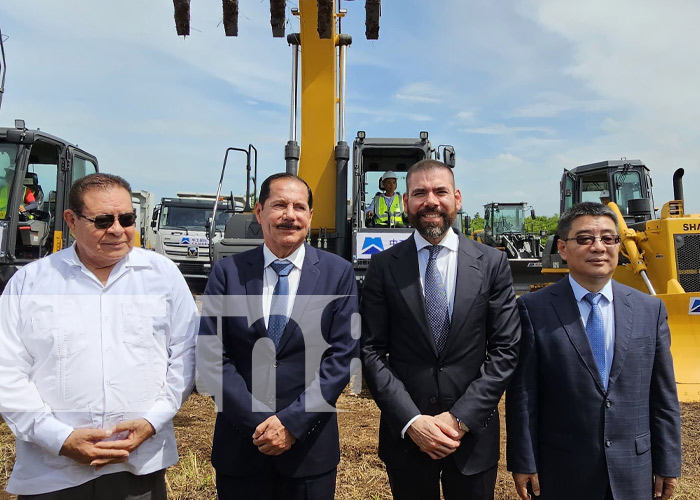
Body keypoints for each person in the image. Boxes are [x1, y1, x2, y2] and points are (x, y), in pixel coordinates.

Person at [0, 173, 198, 499]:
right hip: (53, 473)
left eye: (127, 218)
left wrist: (152, 421)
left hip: (139, 468)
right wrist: (59, 439)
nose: (118, 229)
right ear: (71, 221)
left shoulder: (162, 277)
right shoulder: (30, 284)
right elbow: (7, 369)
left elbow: (186, 355)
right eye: (103, 220)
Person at [360, 159, 521, 500]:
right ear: (406, 203)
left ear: (457, 199)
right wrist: (412, 422)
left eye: (440, 191)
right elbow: (371, 351)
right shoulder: (384, 267)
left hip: (472, 437)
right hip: (407, 438)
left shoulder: (491, 264)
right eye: (419, 193)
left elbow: (506, 349)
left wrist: (459, 419)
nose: (430, 201)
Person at [198, 172, 359, 500]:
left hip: (309, 450)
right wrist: (259, 423)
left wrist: (292, 424)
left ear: (310, 217)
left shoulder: (337, 274)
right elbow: (212, 355)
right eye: (279, 205)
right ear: (259, 212)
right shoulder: (228, 273)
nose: (290, 215)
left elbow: (342, 357)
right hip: (241, 447)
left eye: (299, 207)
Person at [506, 202, 681, 500]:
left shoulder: (649, 310)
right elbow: (524, 393)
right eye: (585, 239)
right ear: (563, 248)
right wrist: (524, 460)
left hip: (635, 469)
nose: (598, 247)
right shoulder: (533, 309)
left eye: (608, 238)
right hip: (562, 469)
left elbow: (663, 395)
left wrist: (668, 462)